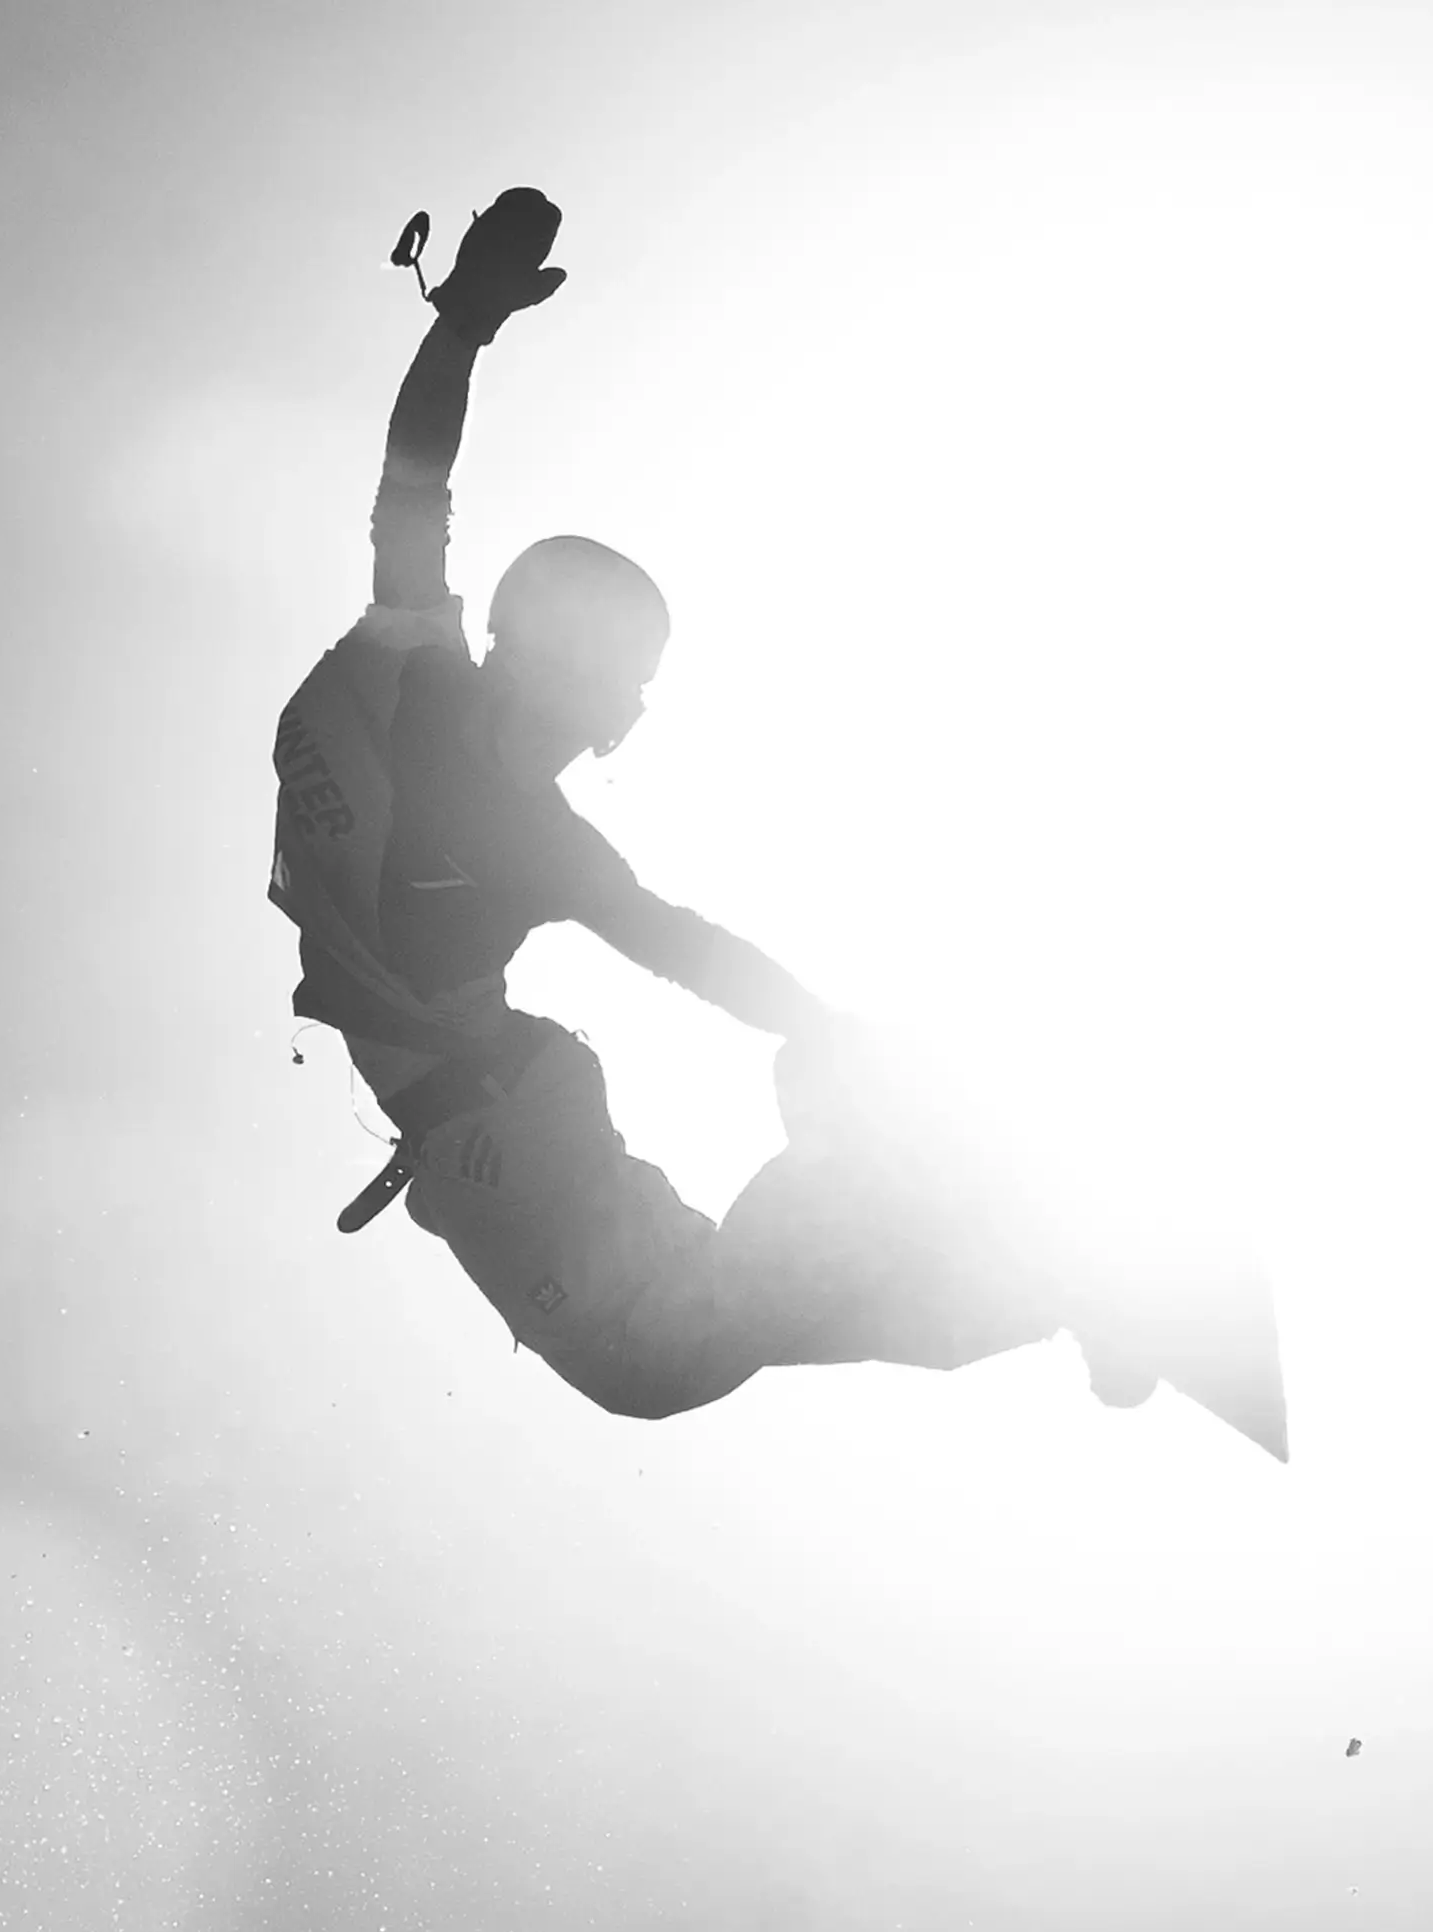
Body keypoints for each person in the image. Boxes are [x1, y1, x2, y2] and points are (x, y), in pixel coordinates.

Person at [269, 188, 1043, 1418]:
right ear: (538, 662)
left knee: (700, 1333)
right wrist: (831, 1035)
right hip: (493, 1128)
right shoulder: (483, 767)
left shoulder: (424, 671)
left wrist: (465, 324)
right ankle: (1012, 1250)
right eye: (598, 709)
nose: (591, 744)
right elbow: (678, 944)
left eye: (609, 721)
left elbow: (415, 473)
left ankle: (1012, 1251)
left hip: (507, 1109)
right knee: (680, 1349)